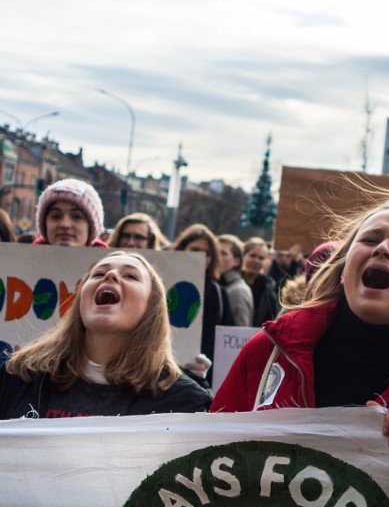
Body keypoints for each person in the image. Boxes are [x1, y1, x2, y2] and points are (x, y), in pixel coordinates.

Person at [212, 191, 389, 473]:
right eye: (370, 239)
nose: (382, 249)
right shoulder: (267, 354)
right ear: (344, 269)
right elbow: (207, 463)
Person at [0, 251, 212, 419]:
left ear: (151, 307)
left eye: (130, 276)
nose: (110, 276)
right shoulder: (19, 376)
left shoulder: (183, 403)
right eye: (98, 274)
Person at [171, 224, 235, 377]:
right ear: (182, 250)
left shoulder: (218, 293)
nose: (200, 257)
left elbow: (226, 341)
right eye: (195, 250)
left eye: (206, 253)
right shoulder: (163, 284)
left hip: (204, 376)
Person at [34, 178, 108, 247]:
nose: (65, 224)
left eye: (76, 217)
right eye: (56, 216)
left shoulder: (111, 261)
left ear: (91, 228)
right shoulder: (24, 259)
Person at [242, 237, 280, 326]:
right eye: (253, 256)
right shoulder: (230, 283)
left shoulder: (269, 290)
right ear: (243, 255)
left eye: (261, 258)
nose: (256, 261)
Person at [217, 234, 254, 327]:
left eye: (223, 253)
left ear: (236, 261)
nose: (217, 257)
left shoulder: (237, 291)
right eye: (215, 252)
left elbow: (239, 332)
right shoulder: (219, 285)